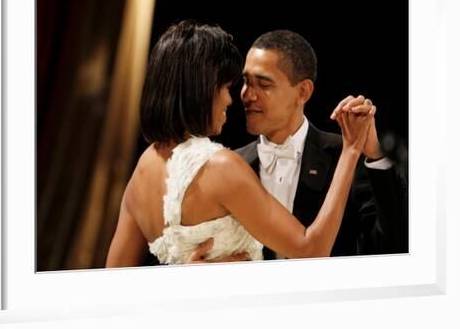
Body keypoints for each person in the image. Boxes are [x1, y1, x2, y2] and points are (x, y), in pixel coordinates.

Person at [106, 20, 376, 267]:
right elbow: (311, 250)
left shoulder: (143, 166)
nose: (232, 99)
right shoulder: (222, 166)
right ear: (201, 89)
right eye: (226, 87)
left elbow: (114, 281)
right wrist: (351, 150)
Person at [192, 29, 408, 262]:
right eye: (246, 81)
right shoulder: (229, 165)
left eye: (263, 84)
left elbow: (393, 244)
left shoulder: (345, 155)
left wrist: (375, 155)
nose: (247, 95)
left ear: (303, 91)